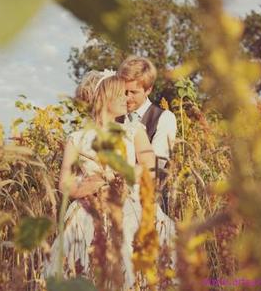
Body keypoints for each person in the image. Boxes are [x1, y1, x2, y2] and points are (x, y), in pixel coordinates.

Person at [44, 74, 175, 289]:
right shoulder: (77, 138)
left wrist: (119, 173)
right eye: (121, 94)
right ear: (105, 97)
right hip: (87, 212)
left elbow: (150, 168)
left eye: (128, 93)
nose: (127, 99)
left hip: (129, 207)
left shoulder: (134, 131)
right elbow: (64, 184)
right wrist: (89, 186)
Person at [117, 56, 177, 213]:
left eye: (133, 92)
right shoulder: (115, 116)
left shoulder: (164, 118)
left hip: (146, 205)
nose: (127, 97)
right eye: (123, 91)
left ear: (148, 89)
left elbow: (155, 168)